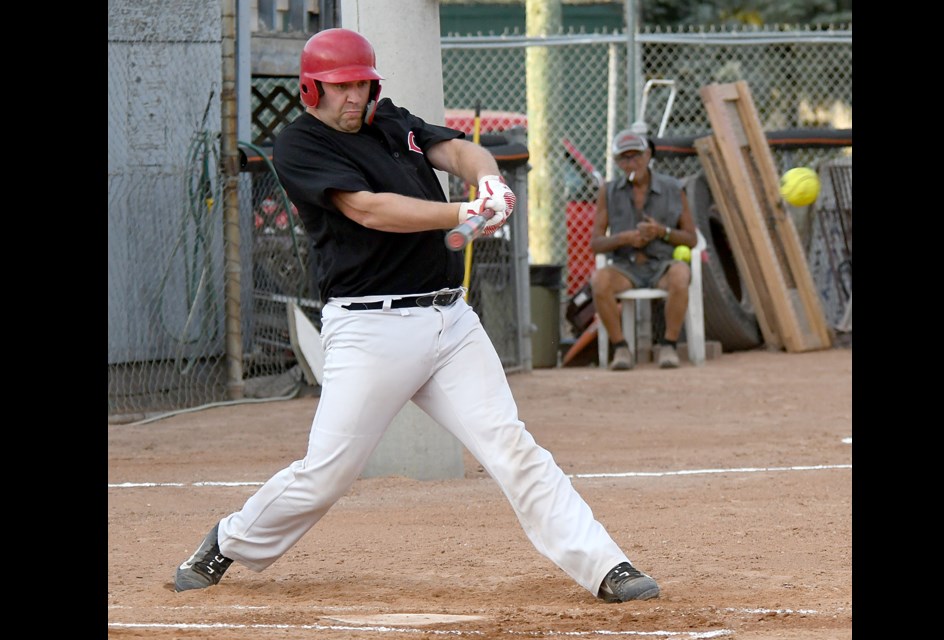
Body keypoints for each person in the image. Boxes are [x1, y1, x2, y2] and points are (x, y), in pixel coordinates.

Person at [173, 28, 660, 604]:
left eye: (361, 83)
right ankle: (229, 540)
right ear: (311, 89)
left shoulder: (387, 119)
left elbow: (456, 149)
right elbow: (370, 210)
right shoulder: (301, 145)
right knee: (326, 474)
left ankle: (607, 565)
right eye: (340, 87)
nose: (354, 96)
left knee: (512, 445)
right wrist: (462, 209)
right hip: (369, 329)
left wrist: (490, 182)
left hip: (449, 322)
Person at [589, 128, 698, 370]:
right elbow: (596, 244)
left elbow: (691, 239)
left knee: (681, 274)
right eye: (625, 159)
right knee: (600, 281)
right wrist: (624, 238)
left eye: (636, 156)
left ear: (648, 155)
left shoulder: (672, 188)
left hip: (662, 265)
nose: (632, 163)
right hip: (626, 266)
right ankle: (621, 349)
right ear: (617, 162)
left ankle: (668, 345)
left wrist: (662, 232)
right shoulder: (609, 191)